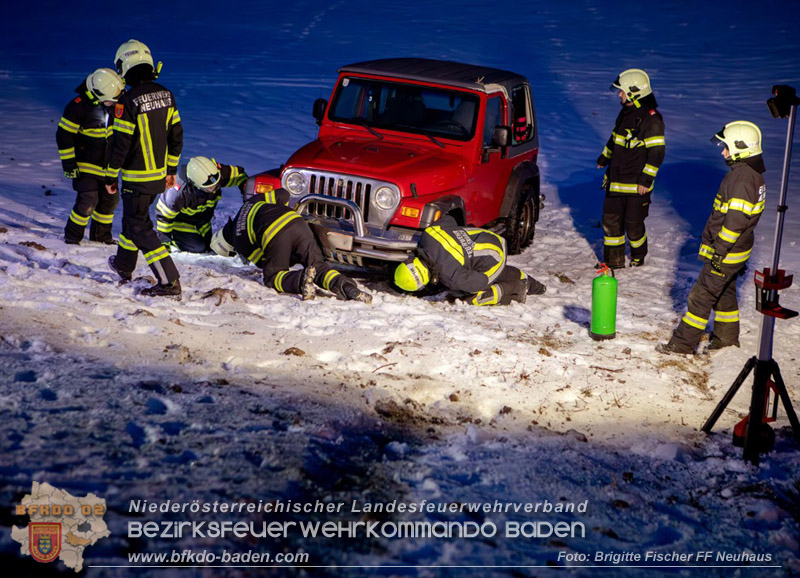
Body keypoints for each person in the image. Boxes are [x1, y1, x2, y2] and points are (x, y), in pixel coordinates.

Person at [658, 121, 766, 355]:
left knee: (701, 295)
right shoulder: (748, 174)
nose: (723, 151)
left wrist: (719, 251)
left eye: (726, 147)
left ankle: (682, 344)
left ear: (741, 147)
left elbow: (735, 223)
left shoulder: (743, 179)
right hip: (736, 250)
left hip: (727, 252)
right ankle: (726, 339)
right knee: (724, 292)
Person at [105, 39, 183, 297]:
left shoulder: (126, 101)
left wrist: (110, 173)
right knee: (133, 220)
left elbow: (120, 144)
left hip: (136, 180)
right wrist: (171, 171)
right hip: (158, 178)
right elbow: (176, 137)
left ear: (125, 65)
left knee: (139, 226)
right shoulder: (167, 95)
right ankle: (124, 265)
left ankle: (169, 281)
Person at [211, 193, 372, 303]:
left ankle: (301, 281)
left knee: (273, 276)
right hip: (296, 222)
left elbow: (264, 262)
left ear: (228, 244)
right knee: (318, 265)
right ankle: (346, 287)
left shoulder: (239, 241)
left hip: (273, 232)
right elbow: (283, 194)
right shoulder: (249, 203)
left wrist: (284, 251)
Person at [393, 215, 546, 305]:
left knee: (470, 298)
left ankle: (516, 289)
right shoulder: (427, 236)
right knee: (472, 269)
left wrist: (464, 277)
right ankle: (534, 284)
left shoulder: (453, 278)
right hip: (484, 235)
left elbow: (481, 282)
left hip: (496, 254)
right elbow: (449, 220)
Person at [597, 69, 665, 268]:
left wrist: (646, 179)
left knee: (633, 226)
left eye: (622, 91)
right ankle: (613, 262)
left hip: (636, 186)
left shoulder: (652, 119)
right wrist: (605, 156)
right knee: (610, 223)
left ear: (635, 92)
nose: (619, 94)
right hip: (615, 181)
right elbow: (615, 139)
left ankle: (638, 256)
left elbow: (657, 152)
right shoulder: (625, 114)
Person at [56, 68, 124, 245]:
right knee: (88, 200)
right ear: (97, 93)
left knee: (110, 200)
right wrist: (69, 164)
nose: (113, 103)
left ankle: (101, 237)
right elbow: (64, 135)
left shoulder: (113, 102)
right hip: (84, 165)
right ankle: (73, 236)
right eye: (110, 100)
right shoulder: (77, 107)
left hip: (108, 167)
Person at [156, 156, 249, 253]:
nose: (215, 189)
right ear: (195, 185)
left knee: (212, 245)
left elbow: (239, 175)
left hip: (203, 222)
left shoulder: (216, 175)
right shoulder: (177, 193)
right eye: (209, 188)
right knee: (198, 248)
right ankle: (176, 240)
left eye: (216, 184)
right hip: (180, 224)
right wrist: (165, 241)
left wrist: (244, 187)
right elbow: (163, 217)